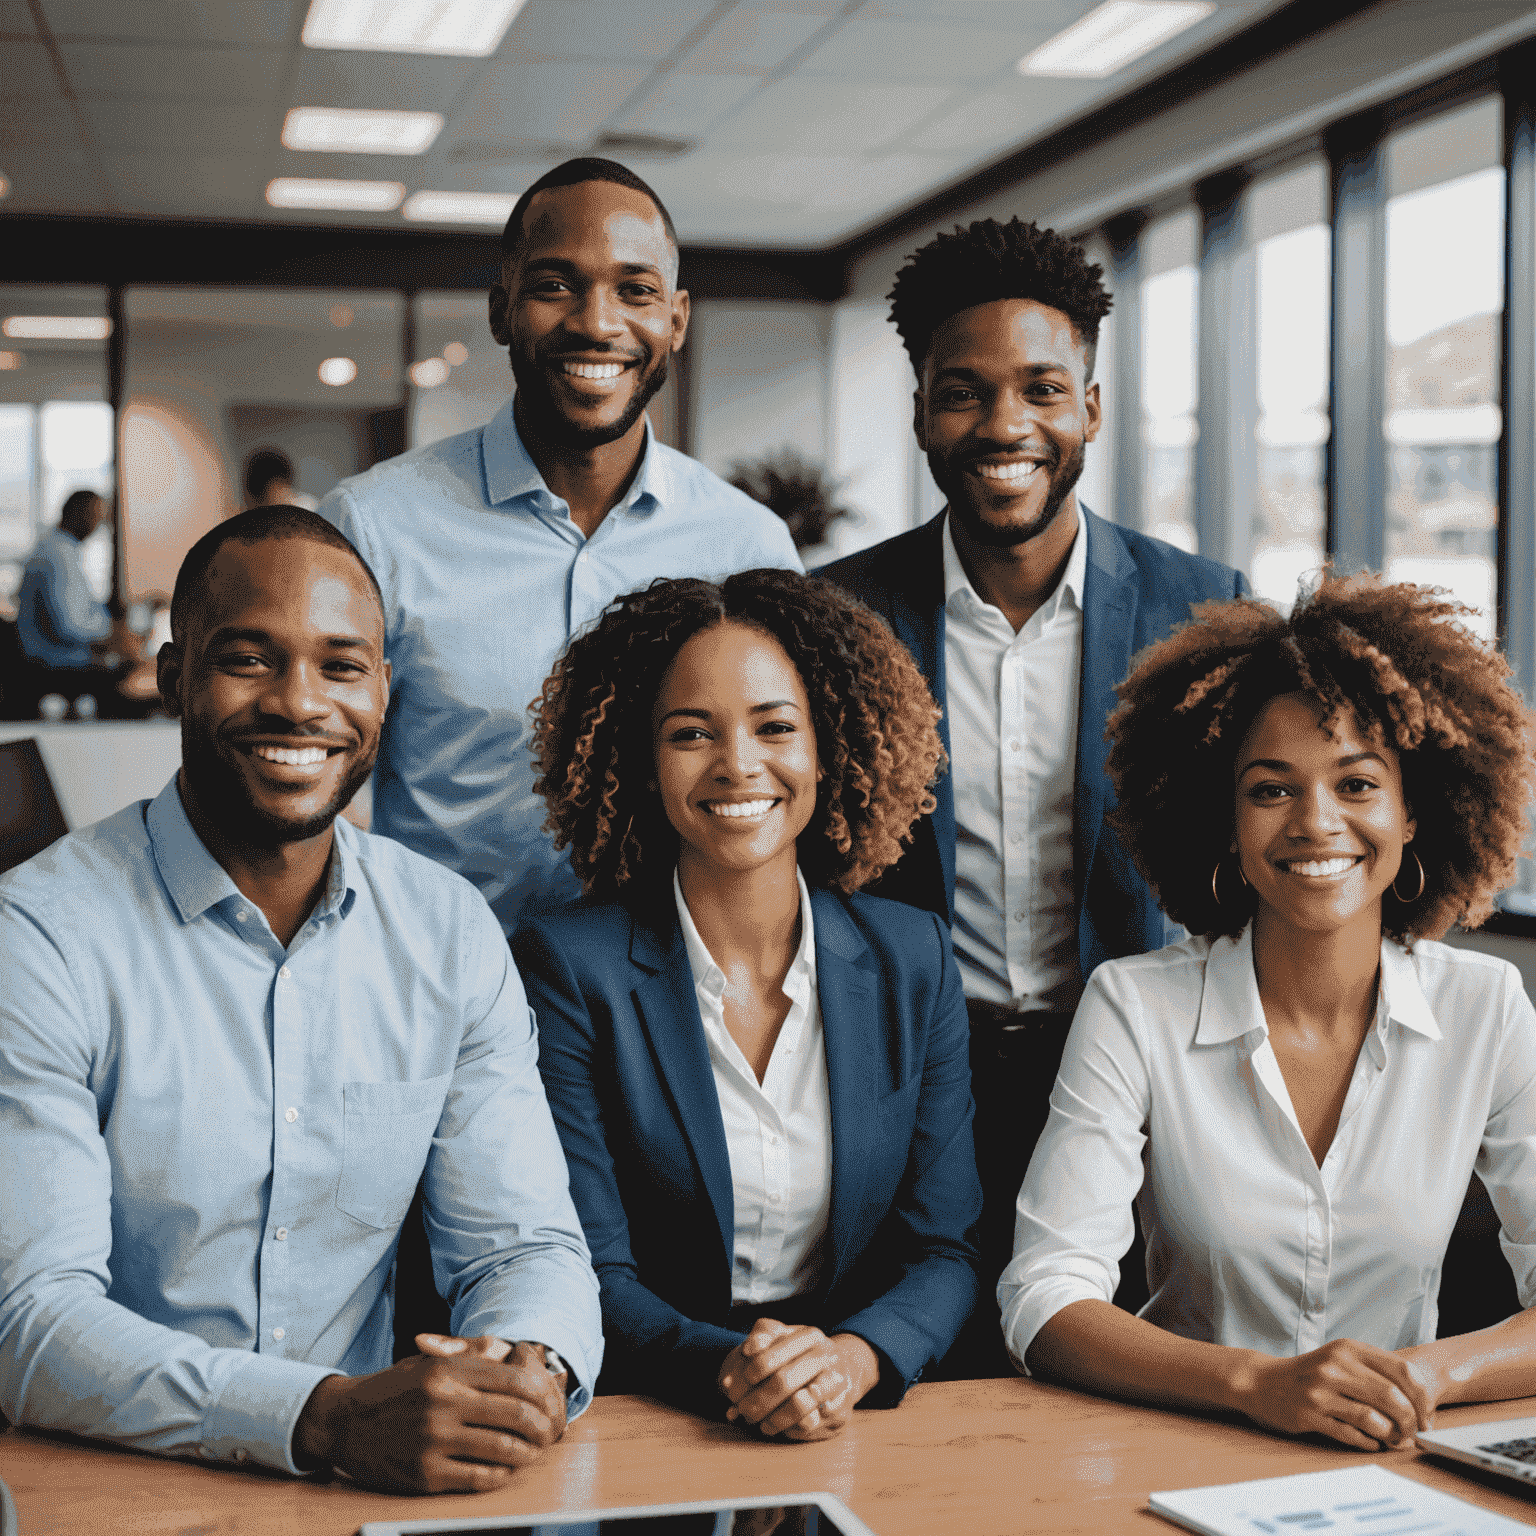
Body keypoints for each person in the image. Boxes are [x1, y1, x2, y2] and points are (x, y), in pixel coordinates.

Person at [0, 506, 601, 1492]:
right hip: (108, 1488)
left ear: (383, 692)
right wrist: (319, 1418)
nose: (299, 703)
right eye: (249, 659)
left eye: (341, 666)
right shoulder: (41, 935)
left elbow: (524, 1245)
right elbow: (31, 1321)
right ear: (171, 674)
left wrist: (526, 1366)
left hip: (362, 1501)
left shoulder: (446, 931)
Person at [821, 217, 1247, 1370]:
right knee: (926, 1372)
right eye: (963, 393)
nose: (1005, 426)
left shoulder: (1204, 611)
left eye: (1042, 390)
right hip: (913, 1089)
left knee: (1130, 1376)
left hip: (1136, 1087)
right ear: (918, 409)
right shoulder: (836, 619)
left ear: (1091, 411)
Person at [1002, 572, 1536, 1450]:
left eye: (1358, 784)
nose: (1316, 822)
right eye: (1271, 789)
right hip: (1179, 1451)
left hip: (1395, 1465)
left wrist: (1426, 1374)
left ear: (1415, 813)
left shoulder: (1486, 1007)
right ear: (1224, 820)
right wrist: (1259, 1386)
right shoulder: (1136, 1007)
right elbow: (1045, 1293)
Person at [513, 569, 982, 1435]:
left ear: (827, 746)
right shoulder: (567, 967)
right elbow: (587, 1266)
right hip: (650, 1415)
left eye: (775, 728)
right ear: (640, 760)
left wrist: (847, 1360)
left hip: (859, 1411)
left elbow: (944, 1252)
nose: (738, 765)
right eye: (692, 733)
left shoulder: (914, 957)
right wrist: (733, 1366)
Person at [319, 157, 800, 933]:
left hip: (675, 1008)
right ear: (501, 308)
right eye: (555, 285)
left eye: (635, 290)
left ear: (676, 320)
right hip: (446, 998)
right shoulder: (375, 529)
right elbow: (314, 782)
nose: (597, 323)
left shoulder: (747, 544)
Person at [14, 489, 135, 713]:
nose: (99, 525)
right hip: (54, 664)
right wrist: (113, 636)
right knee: (136, 681)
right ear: (78, 514)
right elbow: (68, 626)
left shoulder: (58, 549)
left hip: (54, 658)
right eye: (96, 516)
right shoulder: (57, 556)